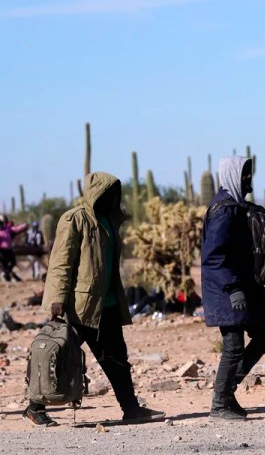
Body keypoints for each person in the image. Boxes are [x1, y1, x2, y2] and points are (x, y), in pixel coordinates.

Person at [24, 172, 165, 427]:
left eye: (115, 193)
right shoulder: (75, 219)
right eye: (108, 193)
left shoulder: (110, 222)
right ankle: (34, 407)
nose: (113, 198)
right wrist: (57, 297)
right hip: (78, 306)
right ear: (96, 193)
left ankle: (131, 409)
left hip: (107, 304)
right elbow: (61, 262)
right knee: (60, 356)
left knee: (117, 360)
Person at [201, 156, 265, 421]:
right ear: (233, 175)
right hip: (226, 290)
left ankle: (226, 391)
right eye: (245, 174)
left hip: (240, 286)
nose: (249, 179)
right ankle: (219, 403)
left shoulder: (236, 206)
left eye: (250, 174)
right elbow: (214, 256)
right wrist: (233, 288)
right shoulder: (224, 210)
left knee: (263, 337)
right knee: (234, 346)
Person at [0, 215, 27, 282]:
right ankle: (7, 276)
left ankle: (7, 274)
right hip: (1, 251)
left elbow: (17, 229)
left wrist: (25, 225)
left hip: (9, 250)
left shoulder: (8, 229)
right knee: (5, 265)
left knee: (13, 262)